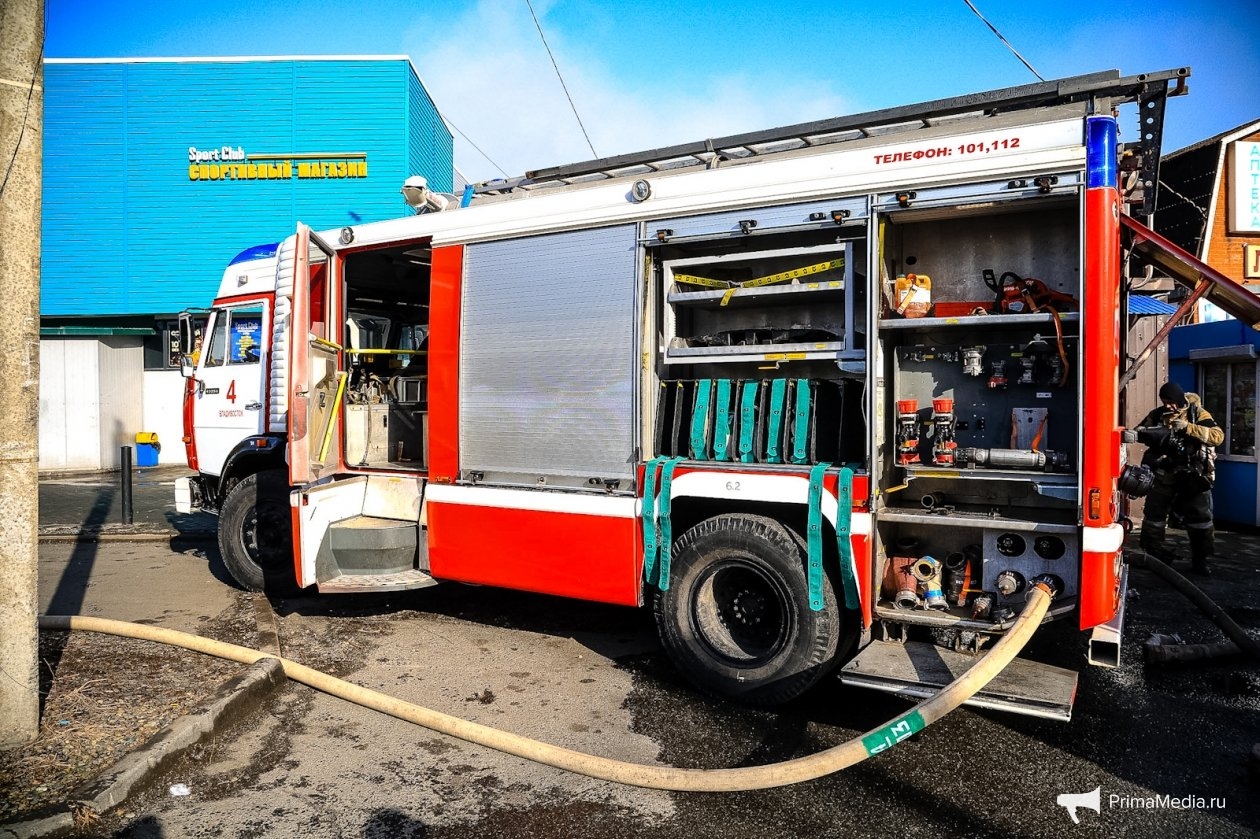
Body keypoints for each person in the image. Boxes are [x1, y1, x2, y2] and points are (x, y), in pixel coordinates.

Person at [1126, 381, 1224, 576]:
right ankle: (1153, 555)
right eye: (1164, 402)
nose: (1168, 406)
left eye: (1171, 402)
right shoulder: (1157, 415)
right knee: (1154, 516)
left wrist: (1188, 428)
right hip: (1164, 474)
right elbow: (1140, 431)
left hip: (1192, 476)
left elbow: (1217, 436)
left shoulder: (1197, 414)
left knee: (1200, 519)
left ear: (1179, 399)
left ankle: (1200, 559)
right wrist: (1141, 434)